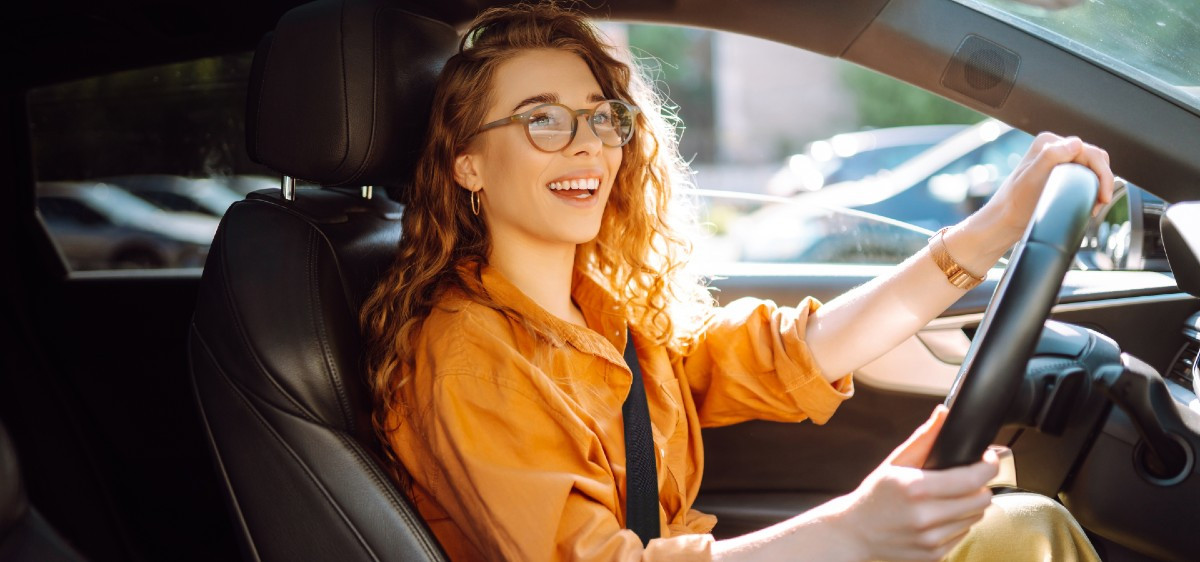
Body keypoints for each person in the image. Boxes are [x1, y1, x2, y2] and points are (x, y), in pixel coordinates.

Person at [360, 3, 1112, 560]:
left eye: (600, 118)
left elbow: (796, 352)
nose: (587, 145)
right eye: (542, 121)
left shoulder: (609, 316)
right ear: (467, 164)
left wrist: (993, 230)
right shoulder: (466, 354)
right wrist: (852, 530)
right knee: (1026, 533)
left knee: (1018, 527)